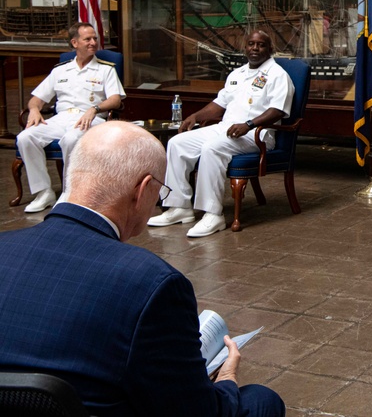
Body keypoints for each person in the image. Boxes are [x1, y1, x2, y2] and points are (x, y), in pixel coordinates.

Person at [0, 121, 285, 417]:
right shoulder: (150, 283)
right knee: (261, 400)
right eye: (160, 190)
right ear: (144, 189)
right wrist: (225, 380)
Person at [149, 30, 294, 238]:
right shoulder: (237, 74)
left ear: (270, 49)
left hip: (255, 135)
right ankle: (179, 207)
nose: (255, 48)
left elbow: (278, 110)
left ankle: (212, 214)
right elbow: (219, 104)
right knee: (178, 143)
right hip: (226, 128)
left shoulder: (278, 75)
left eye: (261, 45)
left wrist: (248, 124)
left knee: (212, 148)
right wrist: (196, 117)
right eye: (251, 44)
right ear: (245, 48)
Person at [16, 21, 124, 213]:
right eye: (87, 39)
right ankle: (43, 192)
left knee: (71, 139)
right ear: (74, 43)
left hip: (91, 118)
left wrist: (94, 109)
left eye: (95, 38)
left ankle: (69, 193)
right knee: (25, 137)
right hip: (61, 118)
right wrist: (34, 110)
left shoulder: (105, 69)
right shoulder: (60, 70)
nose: (93, 42)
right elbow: (36, 100)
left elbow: (115, 100)